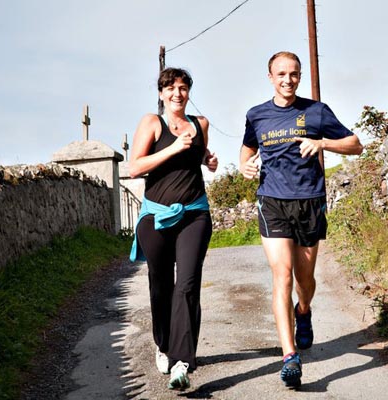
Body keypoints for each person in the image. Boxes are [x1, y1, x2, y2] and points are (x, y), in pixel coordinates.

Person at [240, 51, 363, 388]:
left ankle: (304, 310)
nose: (288, 80)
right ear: (270, 77)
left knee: (304, 280)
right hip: (272, 201)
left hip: (309, 201)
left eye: (293, 74)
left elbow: (356, 145)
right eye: (281, 74)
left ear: (300, 76)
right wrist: (244, 165)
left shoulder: (317, 111)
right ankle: (290, 357)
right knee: (282, 275)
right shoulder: (257, 115)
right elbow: (247, 149)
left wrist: (322, 143)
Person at [128, 67, 218, 390]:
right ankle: (163, 344)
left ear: (189, 91)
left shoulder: (200, 124)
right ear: (162, 93)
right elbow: (135, 166)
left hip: (194, 213)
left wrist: (208, 160)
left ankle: (182, 361)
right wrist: (172, 148)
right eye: (171, 88)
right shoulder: (152, 123)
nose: (177, 93)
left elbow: (201, 154)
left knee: (188, 284)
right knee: (161, 284)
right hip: (156, 218)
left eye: (183, 87)